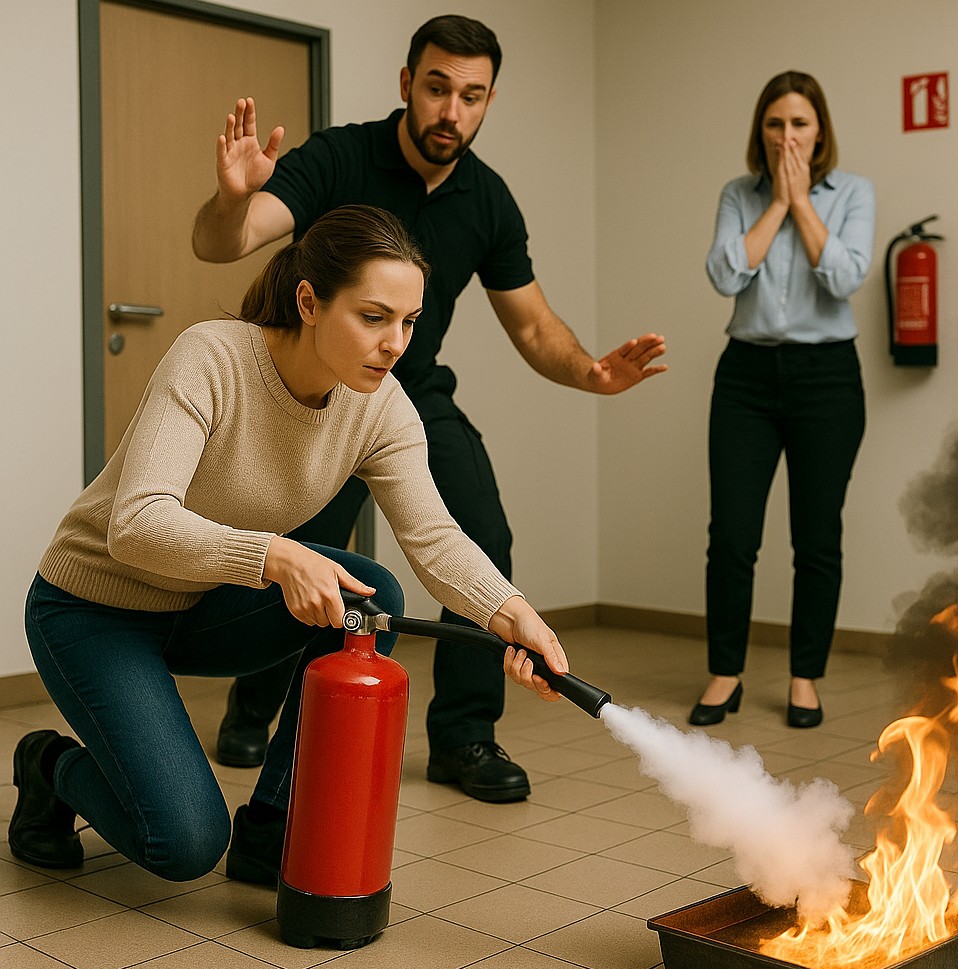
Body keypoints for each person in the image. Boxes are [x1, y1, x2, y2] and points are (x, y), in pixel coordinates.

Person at [10, 205, 569, 887]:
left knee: (372, 597)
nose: (396, 343)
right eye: (373, 317)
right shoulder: (213, 356)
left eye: (408, 322)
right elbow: (137, 524)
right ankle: (47, 768)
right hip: (92, 611)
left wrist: (513, 616)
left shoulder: (381, 407)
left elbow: (435, 539)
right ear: (309, 301)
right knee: (184, 845)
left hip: (205, 606)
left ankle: (272, 827)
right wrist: (275, 555)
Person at [191, 15, 666, 801]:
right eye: (439, 88)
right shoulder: (340, 156)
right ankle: (256, 699)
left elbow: (534, 323)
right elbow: (225, 241)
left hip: (409, 392)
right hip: (317, 386)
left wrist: (591, 373)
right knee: (301, 545)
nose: (453, 111)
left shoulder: (489, 200)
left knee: (481, 530)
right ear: (407, 84)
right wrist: (229, 199)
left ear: (488, 102)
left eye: (472, 96)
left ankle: (465, 737)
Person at [692, 70, 875, 730]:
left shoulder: (854, 193)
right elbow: (723, 273)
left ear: (819, 129)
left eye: (800, 123)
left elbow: (847, 276)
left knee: (817, 538)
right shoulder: (738, 195)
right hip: (746, 377)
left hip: (827, 378)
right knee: (732, 536)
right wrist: (776, 201)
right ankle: (725, 674)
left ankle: (805, 678)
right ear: (760, 131)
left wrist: (804, 205)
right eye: (776, 124)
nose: (788, 135)